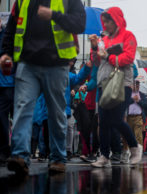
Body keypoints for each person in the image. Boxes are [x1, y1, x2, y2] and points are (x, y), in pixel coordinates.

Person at [0, 0, 86, 174]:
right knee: (22, 108)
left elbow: (79, 23)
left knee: (56, 112)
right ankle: (20, 156)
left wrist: (54, 15)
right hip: (27, 63)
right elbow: (11, 28)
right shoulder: (22, 1)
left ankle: (58, 158)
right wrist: (6, 54)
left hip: (56, 63)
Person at [89, 7, 142, 167]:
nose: (105, 24)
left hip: (122, 83)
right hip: (104, 83)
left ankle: (134, 146)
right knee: (104, 121)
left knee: (117, 119)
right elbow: (96, 62)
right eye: (104, 21)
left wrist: (109, 56)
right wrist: (93, 48)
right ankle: (104, 156)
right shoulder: (102, 39)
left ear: (116, 20)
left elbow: (128, 57)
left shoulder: (128, 36)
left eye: (108, 21)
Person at [0, 18, 15, 166]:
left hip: (9, 82)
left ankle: (12, 150)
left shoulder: (7, 34)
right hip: (5, 82)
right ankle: (5, 150)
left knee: (11, 117)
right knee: (3, 117)